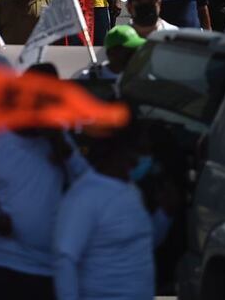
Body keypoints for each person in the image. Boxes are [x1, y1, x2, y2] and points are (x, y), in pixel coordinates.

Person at [0, 124, 82, 299]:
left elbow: (88, 184)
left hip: (49, 267)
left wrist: (64, 149)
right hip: (5, 262)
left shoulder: (57, 143)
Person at [53, 126, 154, 300]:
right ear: (120, 152)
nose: (141, 160)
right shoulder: (85, 196)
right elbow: (64, 259)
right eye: (139, 151)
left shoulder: (132, 191)